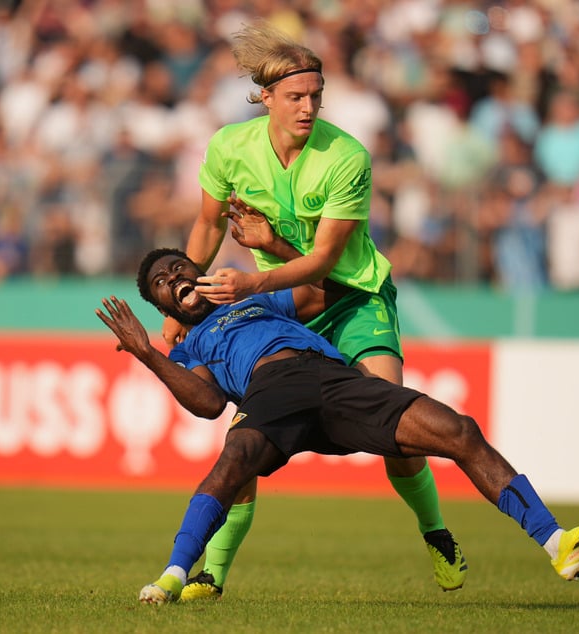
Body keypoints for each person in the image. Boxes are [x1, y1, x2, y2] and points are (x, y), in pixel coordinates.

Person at [96, 248, 579, 604]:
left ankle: (558, 544)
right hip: (272, 393)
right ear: (161, 305)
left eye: (179, 267)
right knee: (232, 465)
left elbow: (330, 288)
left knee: (459, 430)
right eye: (162, 282)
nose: (175, 279)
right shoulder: (189, 348)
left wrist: (269, 255)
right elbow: (208, 404)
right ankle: (173, 576)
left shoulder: (253, 298)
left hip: (336, 380)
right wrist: (147, 353)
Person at [161, 20, 468, 597]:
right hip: (287, 301)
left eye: (316, 97)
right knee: (245, 440)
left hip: (353, 297)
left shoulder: (346, 156)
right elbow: (206, 225)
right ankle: (212, 577)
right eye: (297, 97)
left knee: (397, 430)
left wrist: (255, 282)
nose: (309, 108)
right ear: (266, 97)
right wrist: (184, 300)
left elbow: (326, 262)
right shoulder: (230, 146)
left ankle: (437, 535)